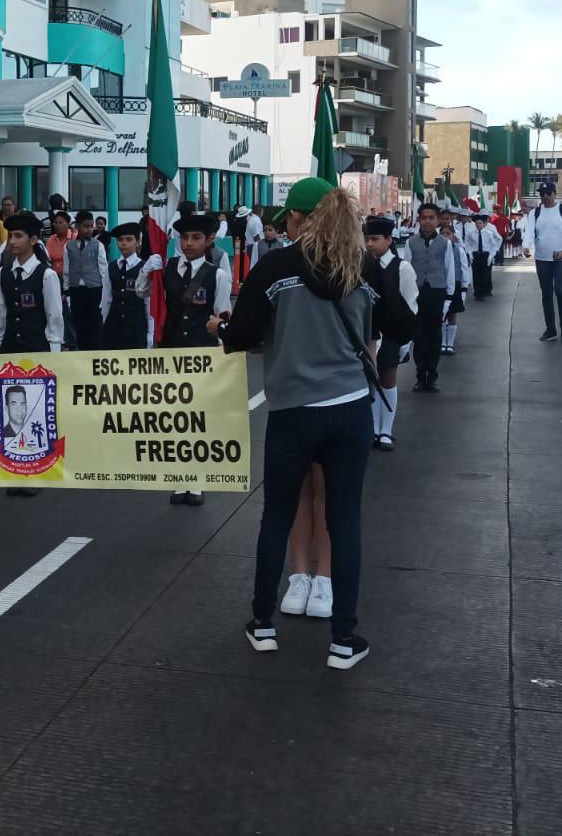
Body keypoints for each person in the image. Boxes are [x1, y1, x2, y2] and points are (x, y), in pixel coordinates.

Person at [215, 185, 379, 672]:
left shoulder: (275, 267)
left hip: (292, 409)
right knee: (344, 520)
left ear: (298, 220)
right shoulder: (362, 267)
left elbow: (240, 336)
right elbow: (403, 324)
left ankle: (263, 623)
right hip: (350, 408)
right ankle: (343, 639)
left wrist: (222, 330)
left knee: (277, 515)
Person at [138, 213, 230, 506]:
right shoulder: (165, 270)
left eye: (196, 238)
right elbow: (143, 294)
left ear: (208, 240)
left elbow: (222, 317)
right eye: (184, 238)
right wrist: (145, 271)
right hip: (172, 352)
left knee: (198, 418)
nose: (189, 243)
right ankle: (179, 478)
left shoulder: (217, 274)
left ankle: (197, 479)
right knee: (175, 418)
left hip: (202, 354)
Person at [0, 212, 64, 497]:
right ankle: (13, 471)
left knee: (34, 414)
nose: (13, 241)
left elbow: (54, 318)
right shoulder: (2, 274)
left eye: (19, 236)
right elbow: (1, 316)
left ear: (34, 240)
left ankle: (34, 473)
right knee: (11, 414)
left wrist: (53, 355)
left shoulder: (46, 275)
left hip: (37, 350)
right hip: (10, 349)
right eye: (10, 236)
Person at [362, 215, 418, 451]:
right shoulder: (363, 266)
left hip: (393, 333)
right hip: (367, 333)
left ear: (388, 239)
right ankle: (373, 427)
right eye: (367, 239)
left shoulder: (402, 268)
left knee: (388, 380)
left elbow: (411, 305)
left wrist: (406, 339)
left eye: (375, 239)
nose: (370, 244)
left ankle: (387, 430)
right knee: (370, 382)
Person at [522, 181, 562, 342]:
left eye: (548, 193)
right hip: (542, 259)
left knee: (560, 292)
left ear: (554, 194)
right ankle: (550, 329)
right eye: (542, 194)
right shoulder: (535, 213)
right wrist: (526, 247)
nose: (545, 196)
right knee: (546, 294)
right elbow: (529, 232)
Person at [405, 203, 454, 392]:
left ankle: (432, 376)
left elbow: (449, 270)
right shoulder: (411, 242)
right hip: (417, 293)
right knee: (418, 336)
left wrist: (448, 298)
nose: (427, 221)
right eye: (424, 218)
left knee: (434, 336)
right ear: (419, 220)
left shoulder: (445, 243)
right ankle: (419, 375)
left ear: (438, 220)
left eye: (431, 218)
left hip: (436, 292)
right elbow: (406, 269)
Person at [63, 210, 109, 350]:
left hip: (94, 289)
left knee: (94, 323)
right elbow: (66, 270)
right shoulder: (68, 246)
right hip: (76, 290)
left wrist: (105, 291)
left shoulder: (98, 245)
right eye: (86, 226)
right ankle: (82, 351)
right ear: (77, 226)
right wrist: (67, 290)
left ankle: (95, 351)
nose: (89, 229)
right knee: (78, 323)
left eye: (91, 226)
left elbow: (103, 269)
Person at [100, 222, 149, 349]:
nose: (124, 243)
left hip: (136, 327)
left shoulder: (144, 267)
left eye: (129, 239)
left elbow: (148, 303)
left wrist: (151, 332)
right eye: (120, 240)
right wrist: (105, 323)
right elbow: (106, 299)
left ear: (137, 242)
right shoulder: (111, 266)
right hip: (114, 326)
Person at [440, 220, 470, 356]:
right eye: (443, 233)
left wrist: (464, 287)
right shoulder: (436, 250)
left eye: (448, 233)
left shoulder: (459, 251)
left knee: (452, 314)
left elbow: (464, 268)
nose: (445, 236)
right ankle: (441, 342)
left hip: (456, 284)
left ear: (454, 236)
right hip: (440, 285)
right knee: (441, 315)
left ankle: (449, 343)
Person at [468, 211, 501, 300]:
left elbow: (493, 245)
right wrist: (470, 253)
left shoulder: (488, 233)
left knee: (484, 274)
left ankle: (482, 292)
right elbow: (468, 244)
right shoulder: (471, 233)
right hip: (475, 254)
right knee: (476, 274)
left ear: (484, 224)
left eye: (480, 223)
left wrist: (491, 256)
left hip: (485, 255)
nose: (478, 225)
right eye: (477, 223)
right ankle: (477, 293)